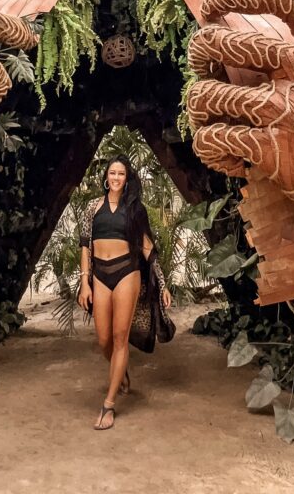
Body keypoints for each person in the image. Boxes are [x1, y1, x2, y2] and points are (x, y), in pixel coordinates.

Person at [77, 155, 172, 430]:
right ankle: (122, 373)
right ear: (106, 177)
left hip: (127, 273)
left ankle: (108, 405)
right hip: (100, 275)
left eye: (121, 173)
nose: (116, 177)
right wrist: (85, 283)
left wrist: (163, 284)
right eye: (112, 173)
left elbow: (147, 249)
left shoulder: (135, 210)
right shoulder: (92, 208)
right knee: (104, 340)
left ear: (127, 179)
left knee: (120, 339)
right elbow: (86, 248)